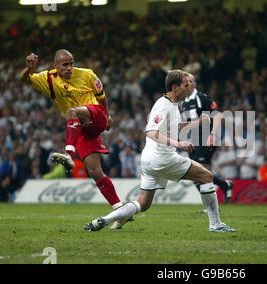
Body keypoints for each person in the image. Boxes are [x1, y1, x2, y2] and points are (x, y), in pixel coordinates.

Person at [84, 70, 236, 232]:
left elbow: (173, 127)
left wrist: (196, 123)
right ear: (175, 87)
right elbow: (150, 131)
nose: (189, 89)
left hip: (149, 160)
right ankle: (216, 224)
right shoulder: (164, 106)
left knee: (143, 203)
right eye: (186, 86)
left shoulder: (172, 105)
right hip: (162, 158)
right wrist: (177, 144)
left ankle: (106, 220)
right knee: (206, 176)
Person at [18, 50, 123, 211]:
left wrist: (107, 117)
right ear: (55, 66)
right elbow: (22, 80)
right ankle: (120, 209)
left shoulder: (87, 74)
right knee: (95, 171)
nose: (69, 68)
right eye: (65, 65)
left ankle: (69, 156)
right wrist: (29, 68)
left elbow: (102, 98)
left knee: (71, 111)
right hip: (82, 129)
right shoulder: (48, 79)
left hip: (96, 114)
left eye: (71, 64)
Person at [180, 73, 234, 204]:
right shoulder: (184, 102)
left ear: (195, 84)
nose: (188, 84)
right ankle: (224, 185)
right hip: (193, 140)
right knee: (193, 174)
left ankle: (211, 204)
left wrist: (213, 134)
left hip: (206, 137)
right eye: (186, 82)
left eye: (191, 81)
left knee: (200, 169)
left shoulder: (201, 98)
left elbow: (217, 115)